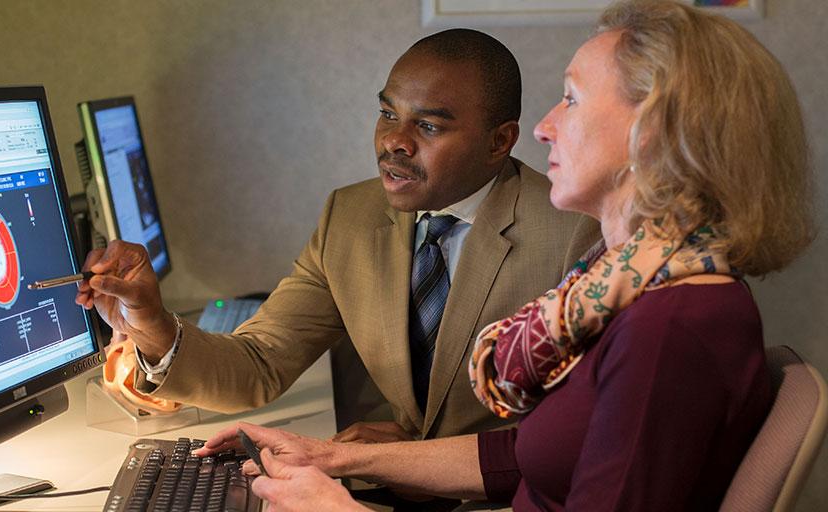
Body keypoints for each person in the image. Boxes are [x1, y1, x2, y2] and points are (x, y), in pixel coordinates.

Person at [196, 1, 816, 510]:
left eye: (571, 99)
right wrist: (333, 458)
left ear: (648, 133)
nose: (544, 126)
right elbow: (525, 455)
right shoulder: (623, 283)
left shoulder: (669, 327)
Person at [76, 28, 598, 445]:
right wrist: (151, 323)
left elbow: (582, 433)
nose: (395, 141)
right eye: (388, 113)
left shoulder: (575, 233)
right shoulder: (349, 216)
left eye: (429, 127)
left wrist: (414, 461)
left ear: (499, 141)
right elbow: (259, 365)